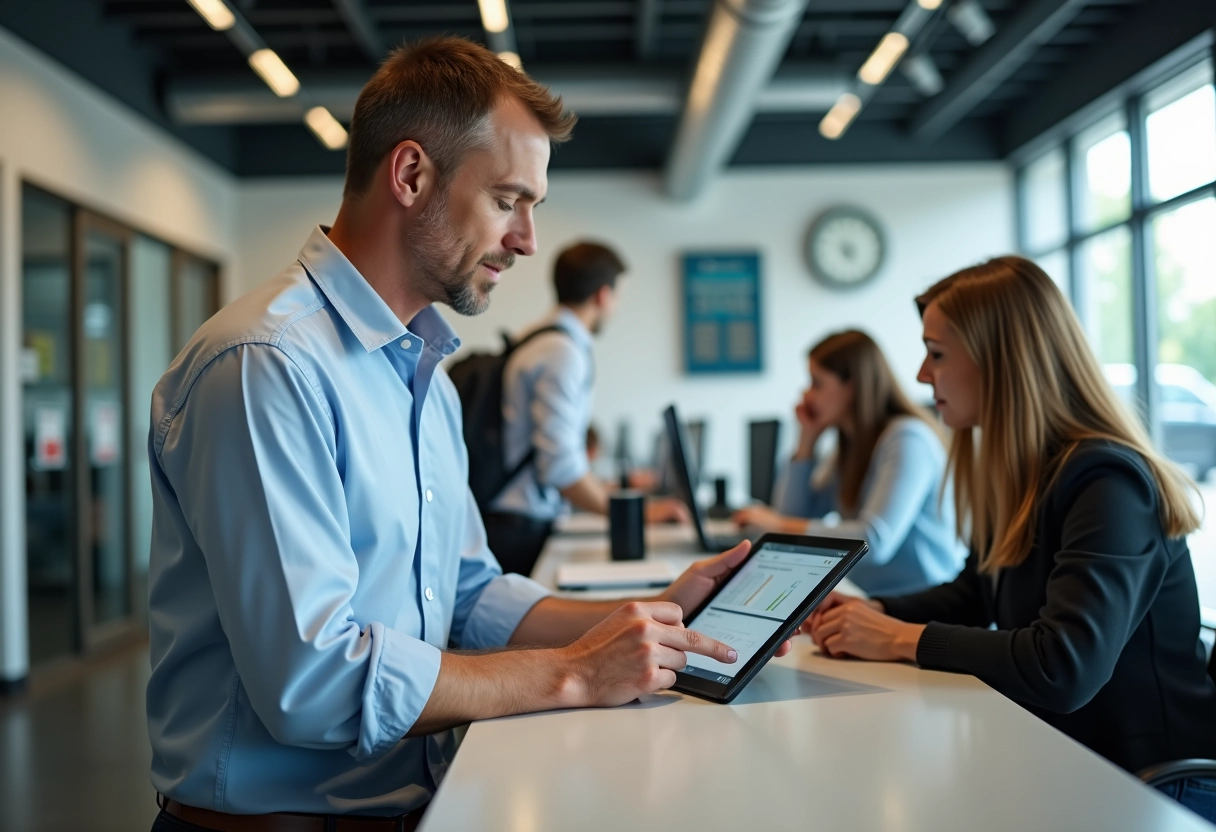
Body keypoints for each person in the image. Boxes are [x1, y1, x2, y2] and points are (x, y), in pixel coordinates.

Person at [144, 38, 784, 832]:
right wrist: (572, 676)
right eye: (509, 200)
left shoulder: (424, 373)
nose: (527, 242)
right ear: (411, 176)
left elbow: (469, 595)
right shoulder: (267, 366)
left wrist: (647, 613)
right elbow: (311, 684)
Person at [804, 258, 1216, 808]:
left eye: (938, 354)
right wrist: (873, 609)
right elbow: (976, 591)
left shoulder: (1108, 481)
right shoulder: (1028, 471)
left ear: (1001, 362)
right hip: (1068, 755)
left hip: (1148, 786)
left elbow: (1063, 665)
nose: (924, 376)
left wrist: (897, 638)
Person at [486, 241, 687, 576]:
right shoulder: (561, 352)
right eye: (619, 296)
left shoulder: (540, 338)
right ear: (603, 295)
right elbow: (562, 468)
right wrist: (639, 513)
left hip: (514, 523)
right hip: (519, 532)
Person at [733, 330, 965, 596]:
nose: (807, 395)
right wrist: (806, 440)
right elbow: (794, 515)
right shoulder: (848, 446)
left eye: (816, 383)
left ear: (852, 385)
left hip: (925, 606)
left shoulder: (907, 439)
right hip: (875, 600)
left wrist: (776, 525)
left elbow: (875, 542)